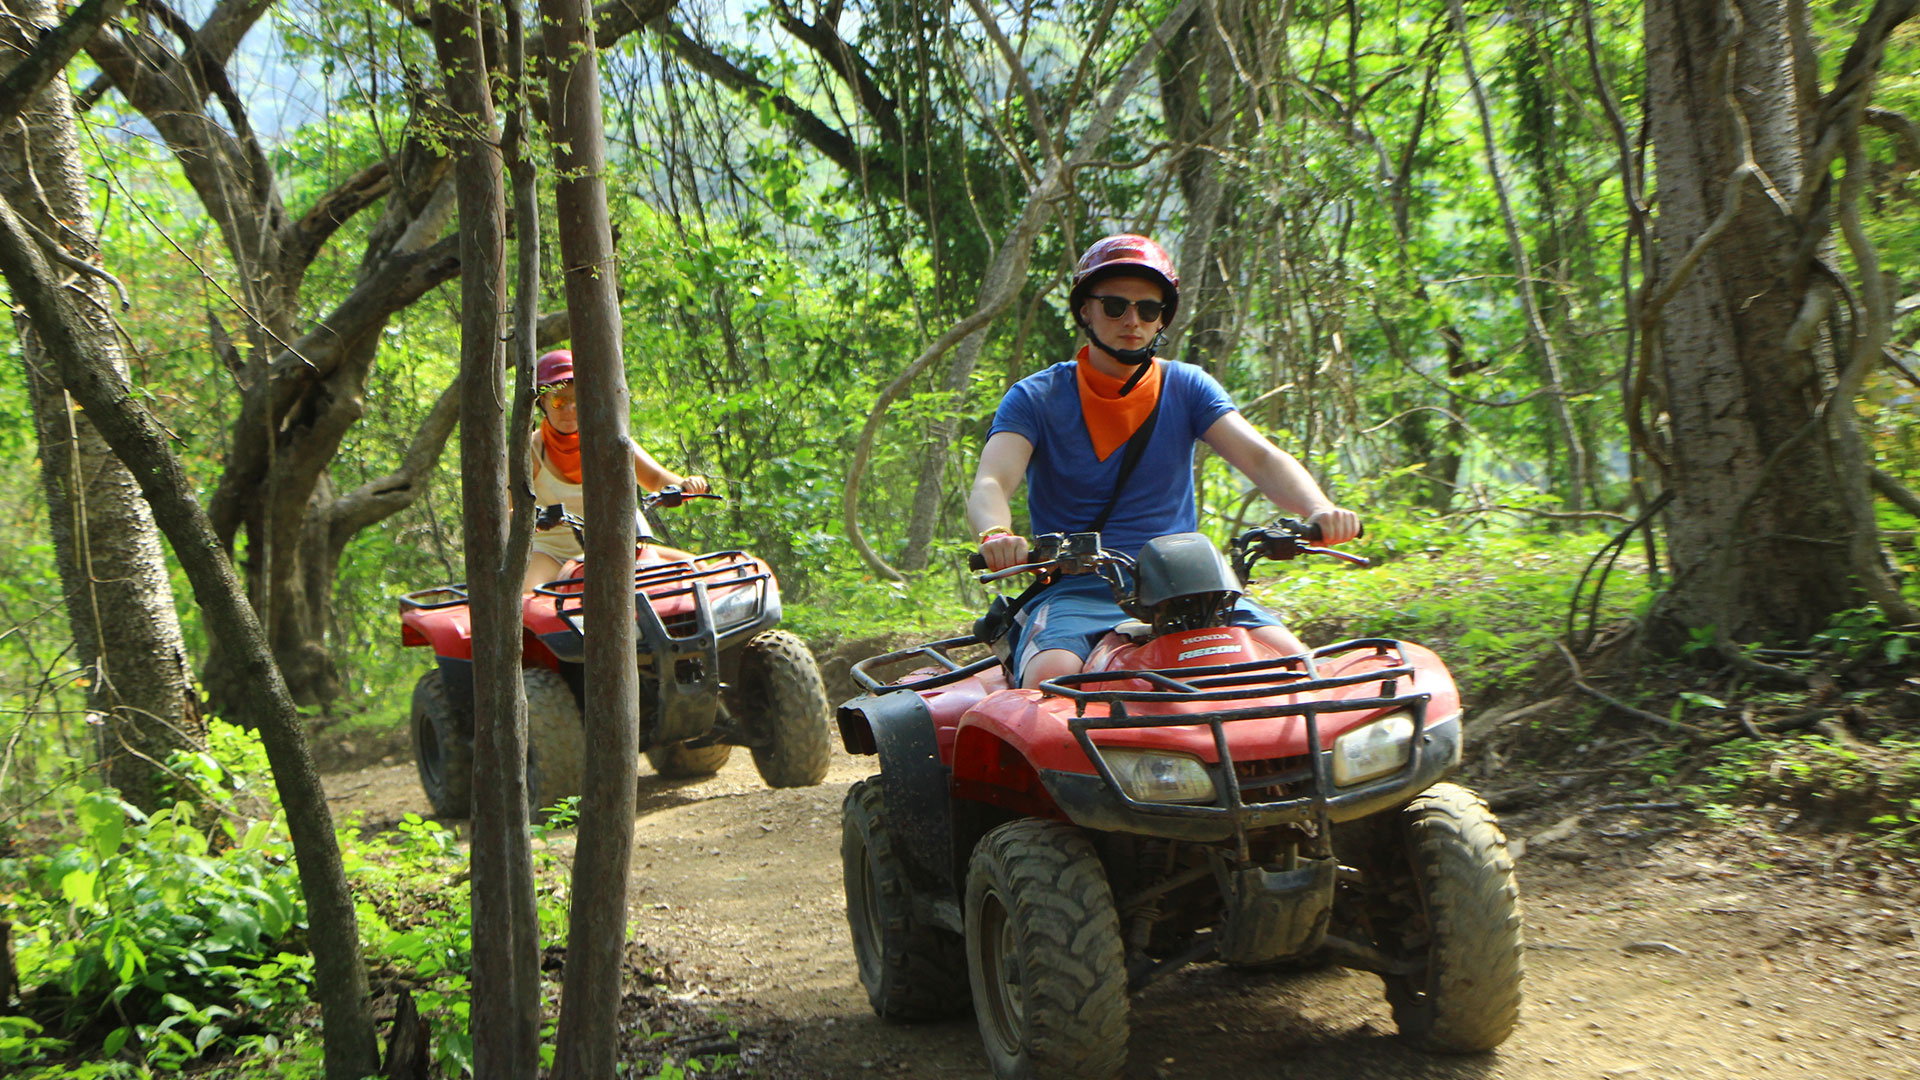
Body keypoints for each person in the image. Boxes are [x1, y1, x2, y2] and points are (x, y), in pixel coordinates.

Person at [966, 234, 1361, 688]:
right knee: (1051, 678)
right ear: (1085, 312)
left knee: (1298, 666)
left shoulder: (1189, 387)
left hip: (1193, 592)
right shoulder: (1035, 397)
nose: (1132, 320)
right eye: (1115, 306)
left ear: (1161, 320)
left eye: (1148, 310)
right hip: (1077, 590)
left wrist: (1318, 509)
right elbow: (992, 482)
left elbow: (1261, 458)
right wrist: (997, 534)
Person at [523, 348, 710, 593]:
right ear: (543, 402)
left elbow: (656, 479)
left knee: (699, 570)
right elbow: (505, 510)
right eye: (559, 401)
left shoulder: (612, 442)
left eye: (576, 400)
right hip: (552, 554)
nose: (569, 409)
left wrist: (688, 485)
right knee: (530, 600)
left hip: (617, 549)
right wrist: (534, 516)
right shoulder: (529, 451)